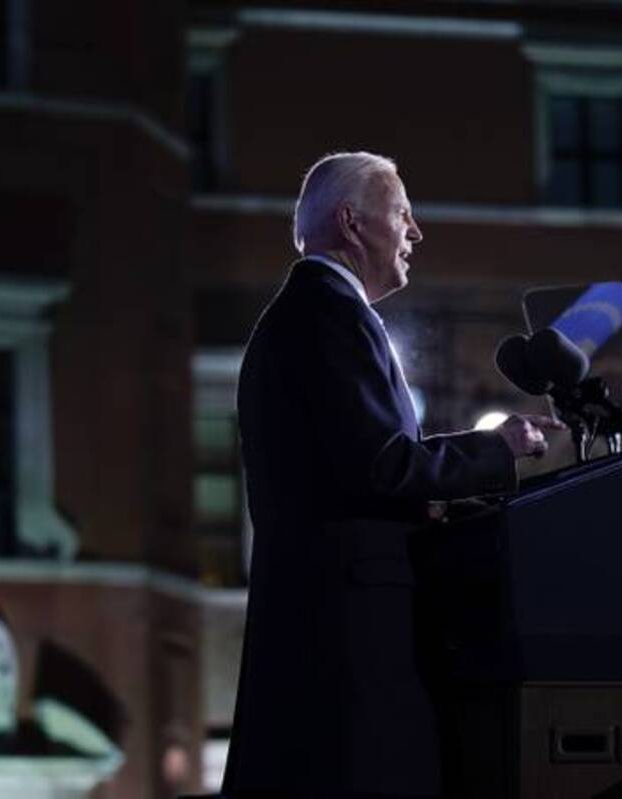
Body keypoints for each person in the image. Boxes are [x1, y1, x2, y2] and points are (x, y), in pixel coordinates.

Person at [223, 152, 559, 798]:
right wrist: (499, 451)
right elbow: (381, 464)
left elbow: (361, 460)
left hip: (327, 625)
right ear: (351, 222)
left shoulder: (306, 316)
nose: (416, 231)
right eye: (402, 212)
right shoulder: (327, 316)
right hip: (351, 638)